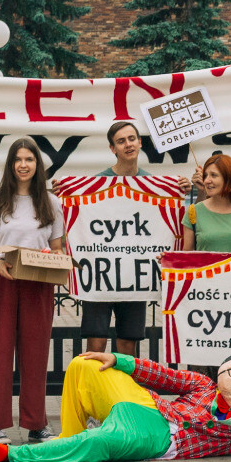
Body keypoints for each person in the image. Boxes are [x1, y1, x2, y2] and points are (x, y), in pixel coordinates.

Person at [0, 350, 231, 462]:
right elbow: (162, 375)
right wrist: (118, 360)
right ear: (221, 376)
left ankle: (8, 454)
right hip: (147, 406)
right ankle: (70, 436)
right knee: (85, 365)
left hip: (157, 438)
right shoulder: (203, 385)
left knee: (102, 443)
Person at [0, 138, 67, 446]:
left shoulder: (51, 203)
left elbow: (57, 248)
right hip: (1, 277)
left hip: (37, 283)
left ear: (37, 165)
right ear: (11, 164)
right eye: (18, 159)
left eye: (29, 159)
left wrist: (54, 258)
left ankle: (36, 424)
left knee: (35, 353)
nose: (23, 165)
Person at [81, 120, 153, 358]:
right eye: (121, 141)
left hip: (134, 275)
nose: (128, 145)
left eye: (132, 139)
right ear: (113, 149)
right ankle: (92, 394)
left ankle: (124, 393)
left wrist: (178, 188)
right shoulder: (97, 183)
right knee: (96, 343)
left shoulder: (153, 184)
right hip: (101, 274)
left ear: (140, 143)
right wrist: (67, 191)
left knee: (127, 345)